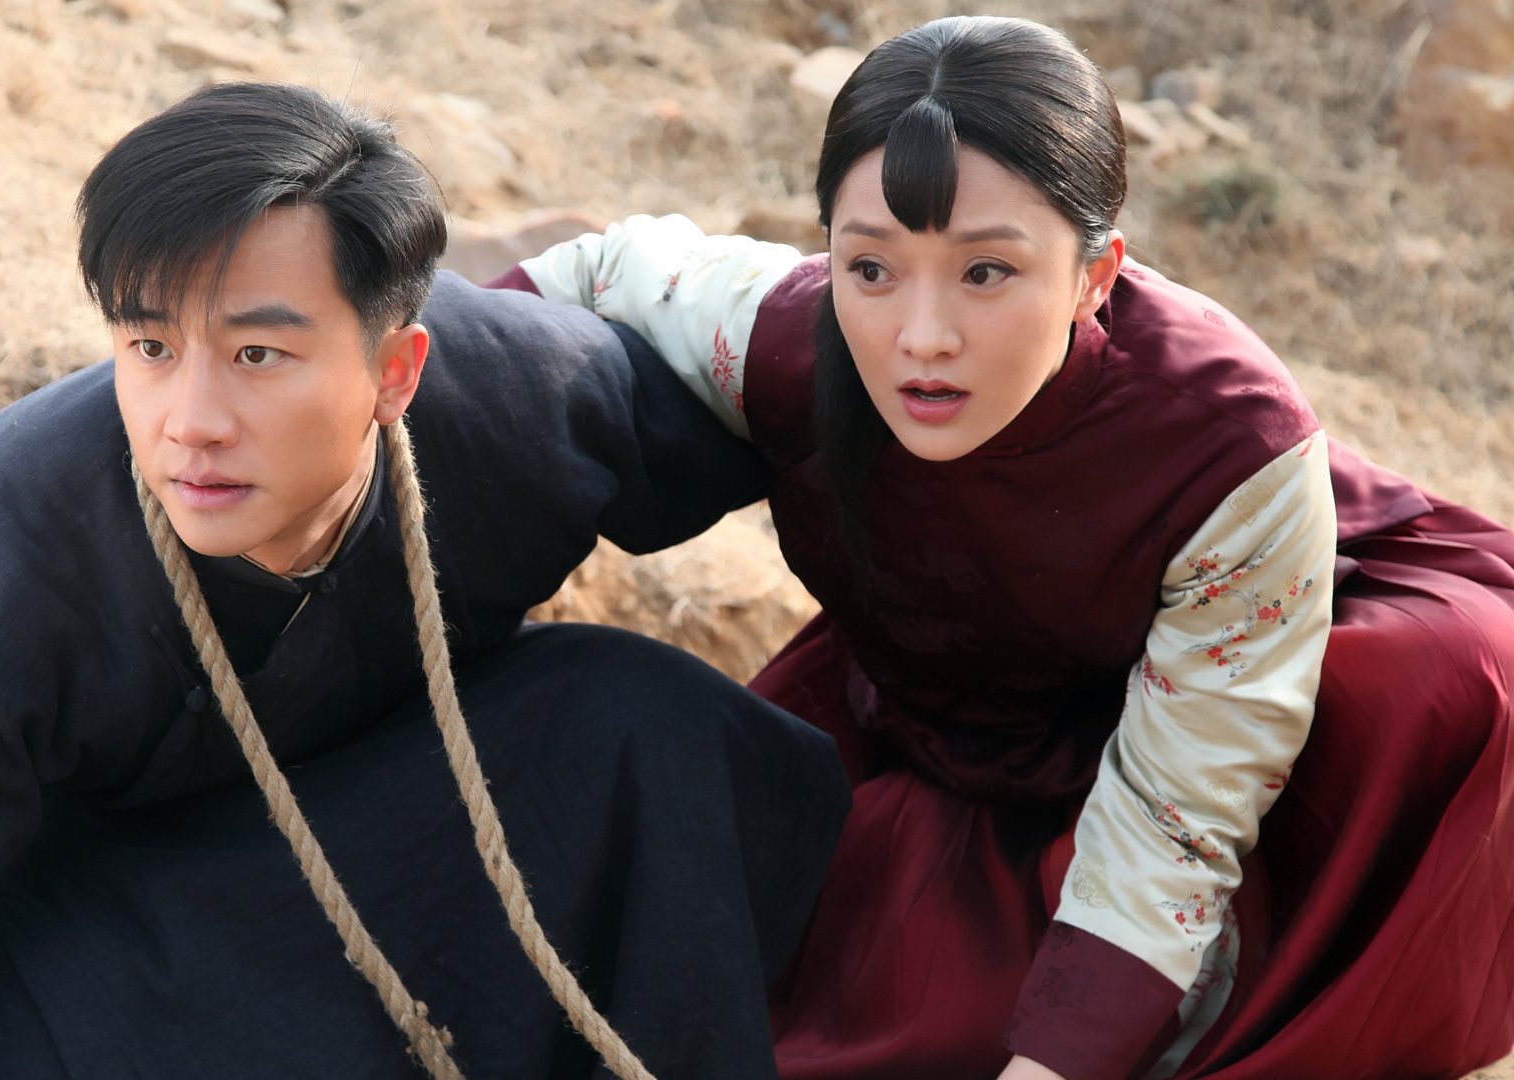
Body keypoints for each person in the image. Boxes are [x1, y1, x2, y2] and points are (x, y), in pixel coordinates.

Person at [0, 82, 851, 1079]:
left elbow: (801, 415)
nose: (190, 422)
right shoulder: (15, 539)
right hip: (111, 967)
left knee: (649, 721)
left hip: (412, 842)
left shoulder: (518, 403)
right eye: (150, 347)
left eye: (257, 353)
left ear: (396, 371)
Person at [494, 15, 1514, 1080]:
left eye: (986, 272)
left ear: (1095, 275)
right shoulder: (783, 331)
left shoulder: (1232, 448)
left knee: (1439, 678)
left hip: (1234, 676)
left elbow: (1178, 817)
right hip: (951, 687)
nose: (922, 337)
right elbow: (597, 273)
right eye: (871, 266)